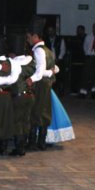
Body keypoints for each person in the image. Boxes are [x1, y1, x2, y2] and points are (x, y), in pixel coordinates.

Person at [26, 17, 57, 151]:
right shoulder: (48, 50)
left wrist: (30, 79)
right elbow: (53, 68)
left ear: (35, 36)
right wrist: (51, 72)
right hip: (46, 84)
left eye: (29, 37)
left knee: (35, 111)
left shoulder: (38, 51)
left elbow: (39, 72)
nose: (27, 39)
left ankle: (33, 143)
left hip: (39, 84)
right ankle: (41, 142)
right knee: (44, 111)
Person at [44, 25, 67, 96]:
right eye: (49, 31)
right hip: (48, 61)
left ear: (54, 31)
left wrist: (59, 58)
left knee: (60, 76)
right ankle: (50, 91)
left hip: (58, 60)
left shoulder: (60, 39)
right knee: (50, 76)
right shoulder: (45, 40)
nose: (50, 32)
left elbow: (63, 50)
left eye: (51, 31)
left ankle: (61, 91)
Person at [68, 25, 86, 94]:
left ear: (83, 30)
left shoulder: (86, 38)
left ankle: (82, 90)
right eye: (78, 30)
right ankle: (74, 90)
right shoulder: (74, 38)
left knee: (82, 76)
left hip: (83, 60)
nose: (78, 31)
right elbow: (70, 47)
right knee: (74, 76)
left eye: (80, 30)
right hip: (75, 60)